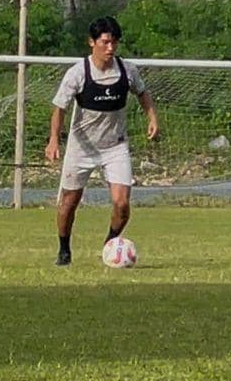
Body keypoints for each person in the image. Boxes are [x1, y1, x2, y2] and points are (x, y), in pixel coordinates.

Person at [45, 16, 159, 266]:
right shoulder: (77, 73)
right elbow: (59, 108)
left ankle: (111, 246)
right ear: (92, 42)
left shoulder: (127, 70)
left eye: (114, 42)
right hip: (81, 147)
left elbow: (143, 93)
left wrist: (152, 118)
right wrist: (54, 140)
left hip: (114, 146)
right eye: (106, 42)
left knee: (122, 204)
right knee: (69, 202)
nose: (111, 48)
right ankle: (64, 249)